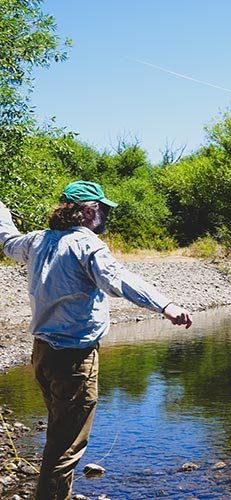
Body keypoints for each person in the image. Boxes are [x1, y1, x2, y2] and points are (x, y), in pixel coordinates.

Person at [0, 180, 192, 499]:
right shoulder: (88, 245)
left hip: (42, 356)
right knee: (66, 448)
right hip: (75, 361)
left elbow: (8, 241)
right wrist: (165, 305)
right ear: (88, 211)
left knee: (60, 435)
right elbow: (118, 280)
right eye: (103, 209)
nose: (106, 215)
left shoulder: (37, 240)